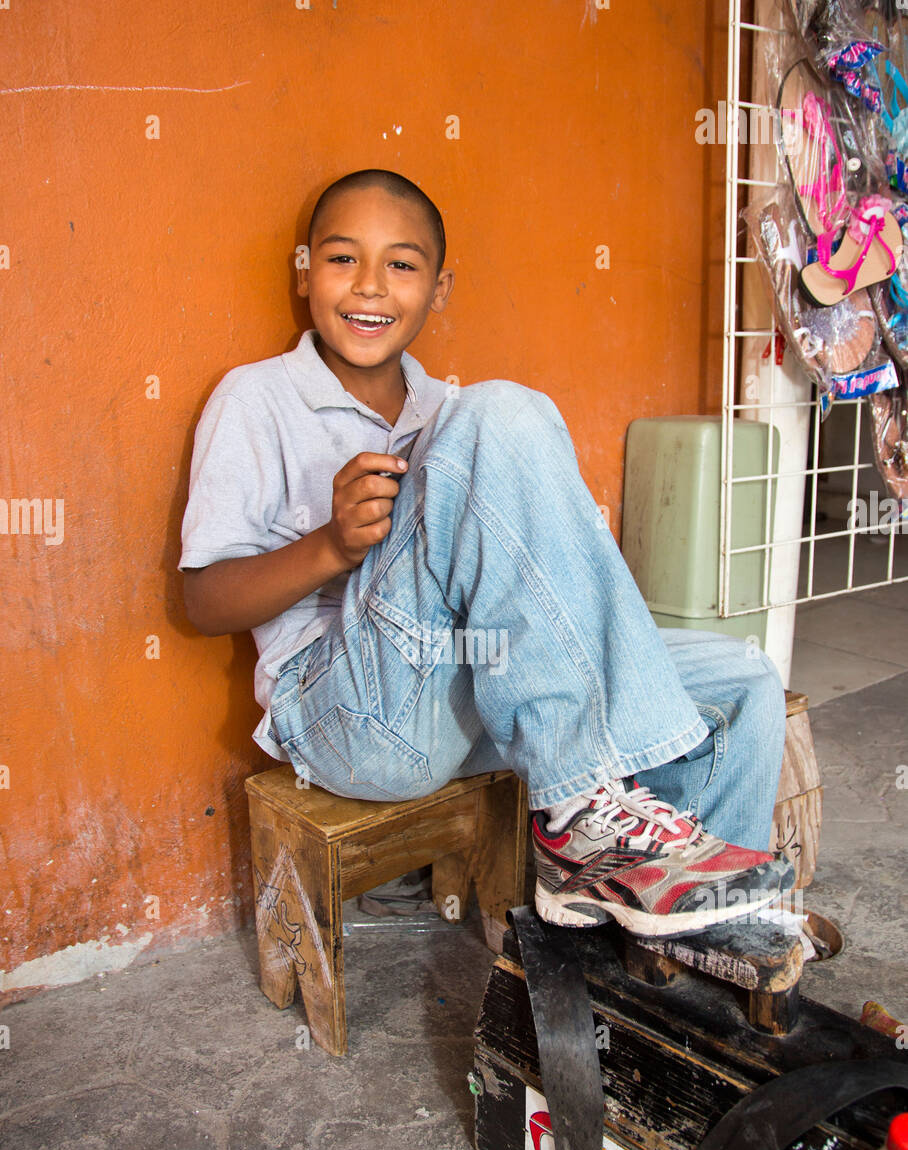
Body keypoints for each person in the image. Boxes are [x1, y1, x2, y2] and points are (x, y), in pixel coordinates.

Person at [180, 168, 794, 939]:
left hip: (471, 687)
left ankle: (704, 928)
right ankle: (581, 822)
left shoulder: (445, 408)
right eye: (342, 259)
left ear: (439, 289)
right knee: (503, 412)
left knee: (743, 680)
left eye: (401, 265)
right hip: (346, 712)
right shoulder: (256, 399)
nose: (369, 287)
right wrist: (331, 545)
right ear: (305, 270)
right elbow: (202, 602)